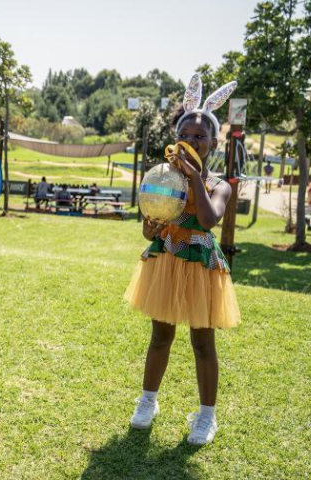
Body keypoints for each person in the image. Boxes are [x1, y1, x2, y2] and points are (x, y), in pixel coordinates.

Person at [124, 74, 241, 446]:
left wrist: (194, 178)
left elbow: (207, 220)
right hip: (168, 260)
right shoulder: (165, 178)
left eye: (200, 136)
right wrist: (149, 224)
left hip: (201, 267)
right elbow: (152, 229)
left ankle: (207, 417)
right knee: (160, 337)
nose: (191, 141)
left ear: (213, 142)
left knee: (203, 343)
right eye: (185, 136)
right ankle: (148, 401)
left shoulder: (217, 184)